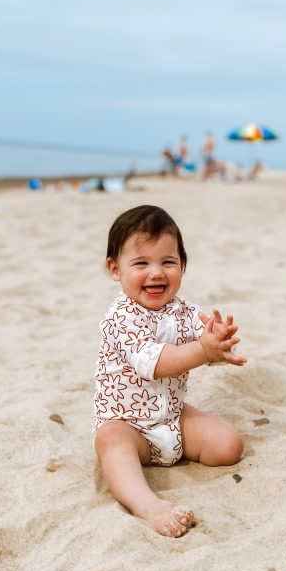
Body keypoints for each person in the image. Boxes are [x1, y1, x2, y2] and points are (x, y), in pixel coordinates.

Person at [93, 205, 245, 537]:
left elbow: (205, 338)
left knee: (229, 445)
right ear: (114, 269)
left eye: (168, 262)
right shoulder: (120, 316)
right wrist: (203, 351)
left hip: (172, 418)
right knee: (110, 441)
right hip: (129, 425)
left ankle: (181, 449)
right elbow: (156, 364)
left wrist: (219, 344)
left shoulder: (184, 310)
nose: (156, 273)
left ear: (183, 266)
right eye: (141, 263)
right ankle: (146, 505)